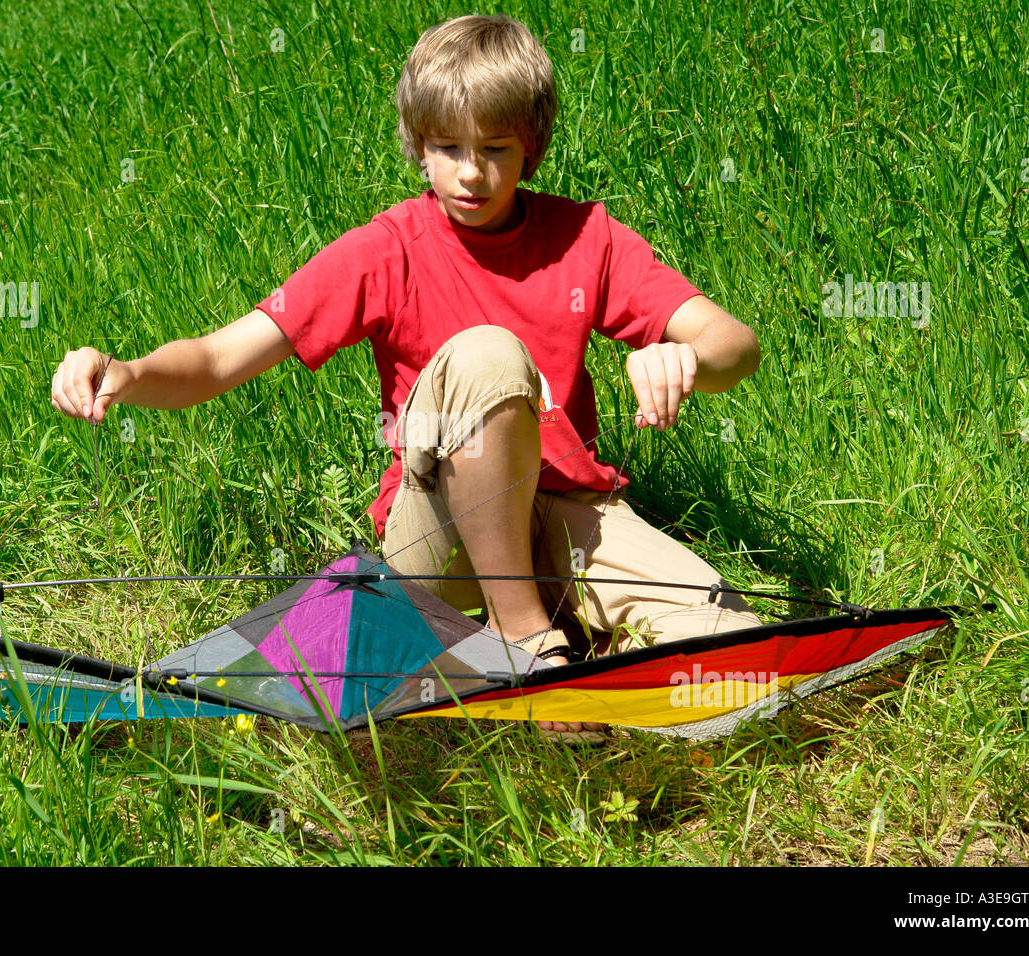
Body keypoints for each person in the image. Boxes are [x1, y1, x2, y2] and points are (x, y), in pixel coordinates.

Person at [50, 14, 762, 742]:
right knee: (488, 353)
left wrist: (686, 358)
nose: (471, 172)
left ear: (533, 148)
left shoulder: (585, 238)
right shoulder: (385, 251)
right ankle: (524, 642)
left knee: (737, 655)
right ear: (419, 149)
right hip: (440, 540)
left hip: (562, 508)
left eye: (495, 149)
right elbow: (215, 360)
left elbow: (736, 344)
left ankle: (579, 652)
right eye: (447, 148)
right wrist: (128, 372)